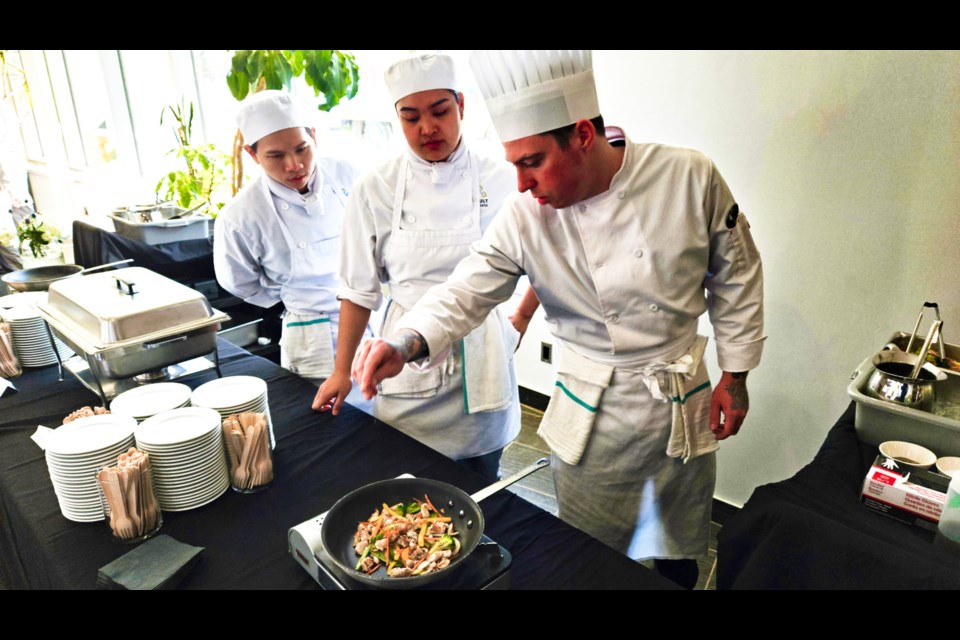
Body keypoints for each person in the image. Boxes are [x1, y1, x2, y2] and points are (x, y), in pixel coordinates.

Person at [350, 50, 765, 588]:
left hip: (678, 401)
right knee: (587, 555)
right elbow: (466, 288)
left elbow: (736, 276)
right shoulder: (526, 214)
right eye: (514, 164)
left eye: (532, 162)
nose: (520, 184)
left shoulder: (688, 176)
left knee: (677, 548)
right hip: (592, 413)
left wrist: (736, 376)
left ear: (584, 137)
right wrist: (405, 342)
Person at [311, 53, 525, 481]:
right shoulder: (376, 186)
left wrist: (518, 318)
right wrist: (341, 371)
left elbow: (543, 252)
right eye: (410, 117)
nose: (427, 128)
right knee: (408, 490)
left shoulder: (501, 177)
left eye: (439, 112)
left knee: (483, 485)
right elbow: (358, 289)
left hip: (482, 354)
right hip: (403, 356)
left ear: (461, 106)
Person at [214, 90, 371, 404]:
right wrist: (292, 295)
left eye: (302, 149)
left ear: (314, 136)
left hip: (372, 323)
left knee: (392, 430)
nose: (294, 165)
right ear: (252, 154)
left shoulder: (348, 175)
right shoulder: (240, 216)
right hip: (312, 339)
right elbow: (238, 281)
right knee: (331, 428)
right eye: (276, 156)